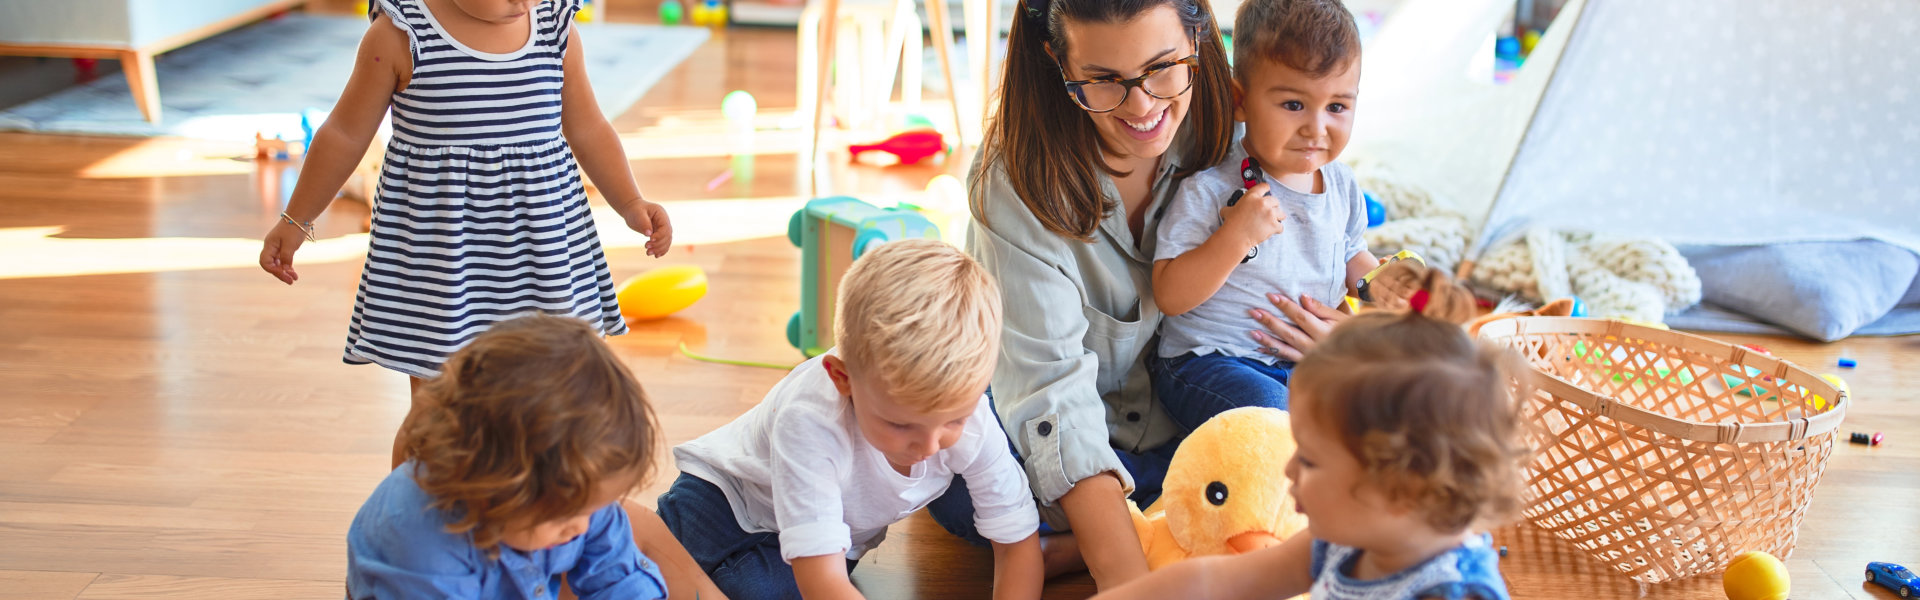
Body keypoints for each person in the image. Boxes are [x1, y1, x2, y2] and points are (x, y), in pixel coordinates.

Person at [255, 0, 673, 468]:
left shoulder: (554, 27)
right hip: (443, 265)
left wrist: (631, 203)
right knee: (437, 415)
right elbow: (345, 134)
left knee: (546, 402)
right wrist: (296, 220)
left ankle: (534, 521)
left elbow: (587, 126)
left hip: (541, 256)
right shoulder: (401, 33)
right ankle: (410, 529)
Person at [1091, 271, 1531, 600]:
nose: (1289, 468)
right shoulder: (1345, 540)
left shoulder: (1454, 591)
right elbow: (1210, 581)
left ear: (1400, 484)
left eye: (1311, 459)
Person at [657, 240, 1044, 600]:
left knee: (748, 590)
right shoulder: (810, 420)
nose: (929, 447)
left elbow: (1018, 543)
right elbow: (822, 581)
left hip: (832, 535)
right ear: (842, 378)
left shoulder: (973, 418)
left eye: (954, 420)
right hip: (726, 495)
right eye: (900, 425)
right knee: (650, 566)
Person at [346, 314, 720, 600]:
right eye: (569, 514)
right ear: (492, 485)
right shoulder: (421, 550)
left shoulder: (574, 506)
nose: (582, 526)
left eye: (592, 509)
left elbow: (616, 574)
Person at [1147, 0, 1377, 426]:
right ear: (1241, 101)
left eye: (1337, 107)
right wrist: (1234, 239)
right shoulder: (1211, 188)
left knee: (1388, 402)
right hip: (1209, 363)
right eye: (1294, 105)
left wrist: (1378, 286)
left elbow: (1351, 254)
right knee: (1274, 417)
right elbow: (1169, 295)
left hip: (1305, 366)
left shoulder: (1342, 185)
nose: (1317, 128)